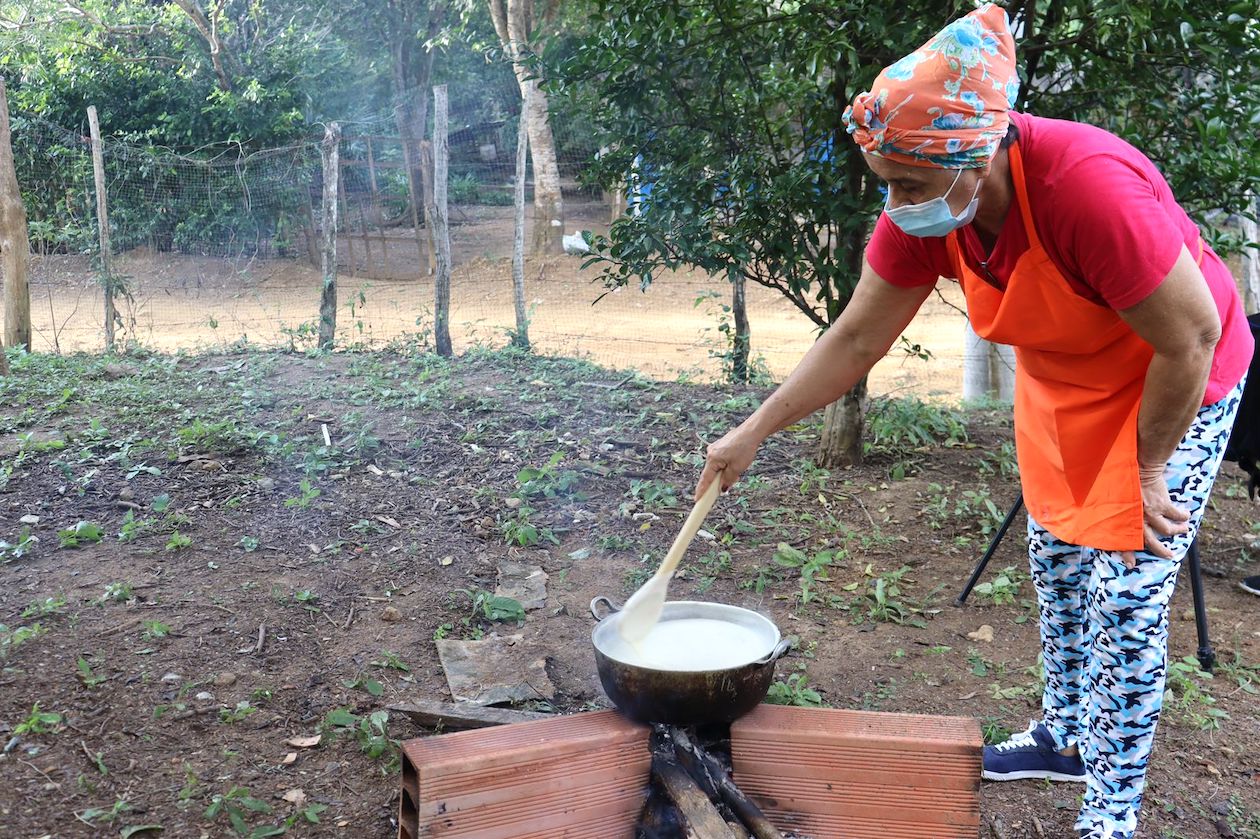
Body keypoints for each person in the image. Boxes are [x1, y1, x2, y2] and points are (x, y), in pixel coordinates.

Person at [694, 6, 1253, 839]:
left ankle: (1112, 808)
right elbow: (855, 336)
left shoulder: (1084, 187)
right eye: (887, 182)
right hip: (1067, 377)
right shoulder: (935, 200)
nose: (896, 202)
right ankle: (1065, 737)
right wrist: (753, 431)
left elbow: (1193, 333)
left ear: (979, 154)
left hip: (1174, 377)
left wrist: (1143, 470)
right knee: (1058, 562)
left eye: (908, 186)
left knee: (1127, 593)